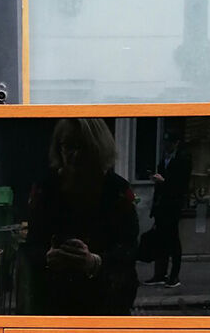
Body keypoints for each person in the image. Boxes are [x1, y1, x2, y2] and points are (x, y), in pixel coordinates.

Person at [18, 118, 139, 316]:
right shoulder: (45, 189)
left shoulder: (117, 191)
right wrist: (47, 257)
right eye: (68, 146)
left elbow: (129, 250)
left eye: (83, 147)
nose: (75, 155)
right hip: (54, 304)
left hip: (104, 306)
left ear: (97, 148)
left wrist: (94, 262)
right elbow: (31, 246)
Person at [143, 129, 192, 288]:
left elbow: (181, 185)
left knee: (173, 241)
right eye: (165, 143)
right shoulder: (164, 159)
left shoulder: (182, 159)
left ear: (176, 143)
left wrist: (164, 181)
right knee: (161, 241)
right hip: (161, 206)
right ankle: (160, 274)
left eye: (169, 143)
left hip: (172, 206)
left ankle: (174, 276)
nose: (166, 146)